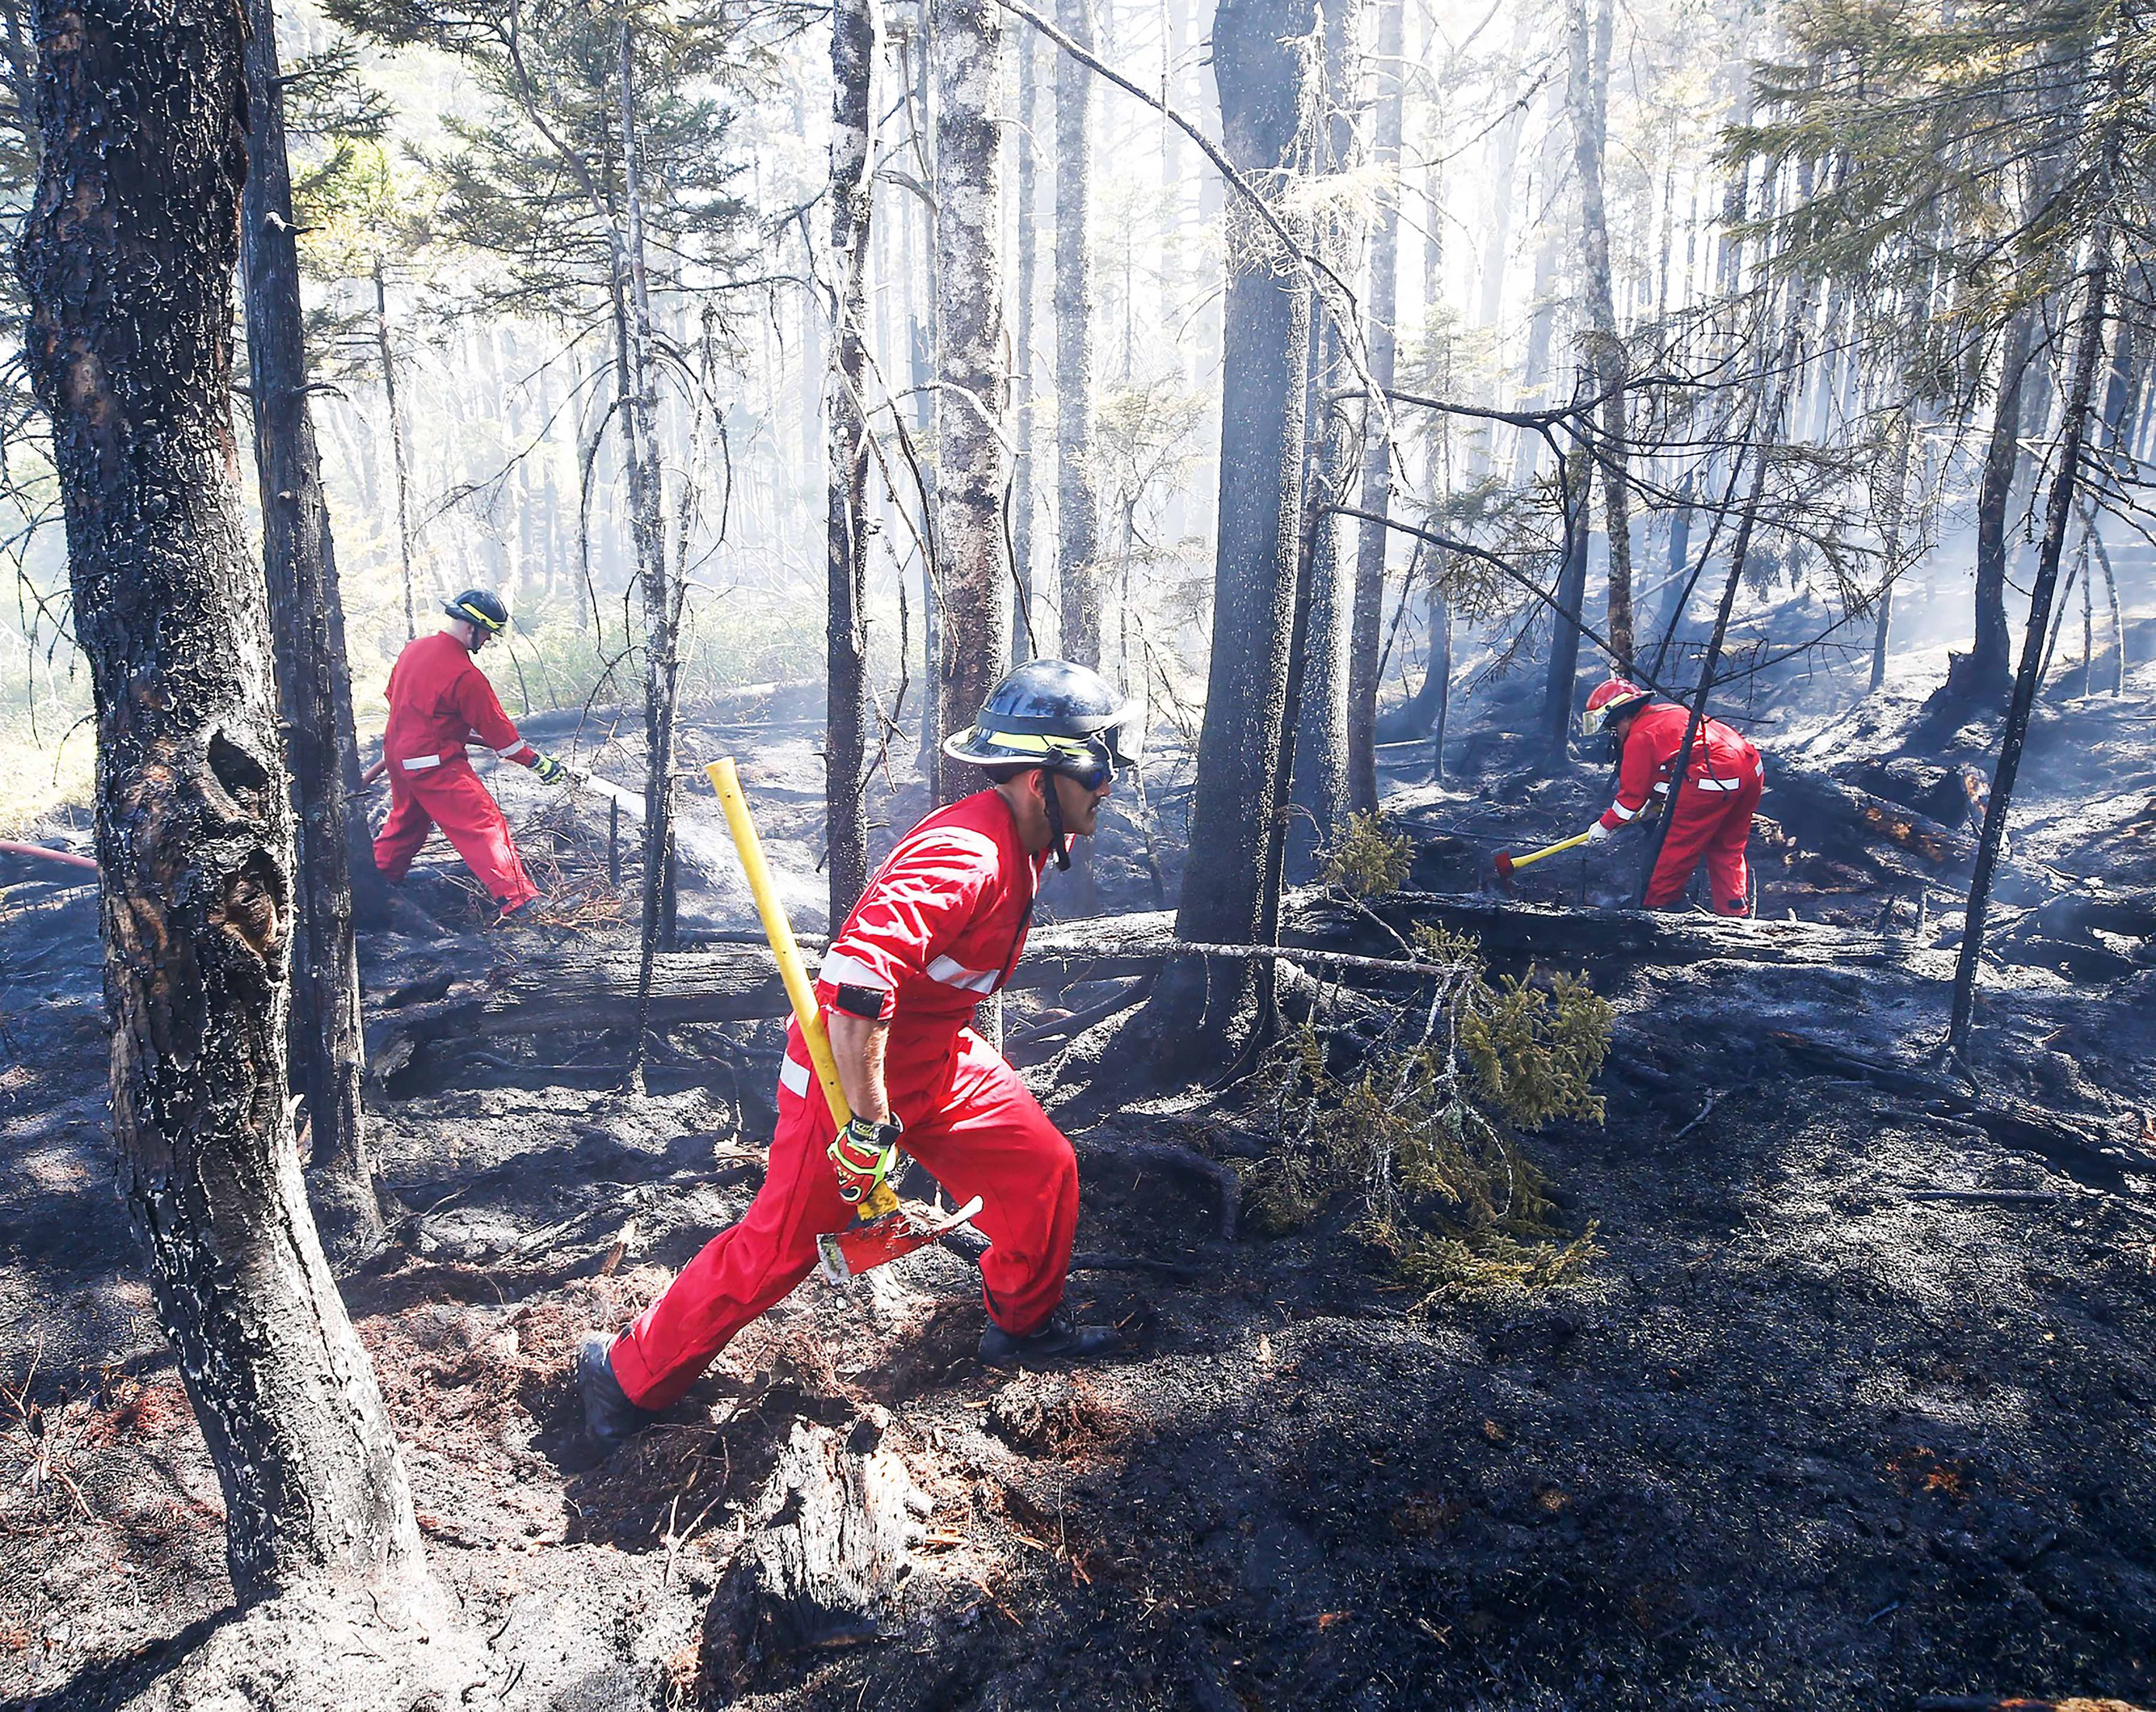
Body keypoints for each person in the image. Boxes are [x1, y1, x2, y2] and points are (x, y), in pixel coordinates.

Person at [580, 659, 1139, 1448]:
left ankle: (1023, 1326)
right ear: (1042, 778)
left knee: (1041, 1168)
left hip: (937, 1056)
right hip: (846, 1077)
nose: (1109, 787)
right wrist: (870, 1127)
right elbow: (858, 984)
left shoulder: (1034, 833)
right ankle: (626, 1374)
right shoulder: (967, 855)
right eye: (1097, 771)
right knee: (778, 1250)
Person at [363, 590, 571, 922]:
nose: (488, 640)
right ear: (472, 627)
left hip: (399, 758)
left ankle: (372, 887)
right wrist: (537, 762)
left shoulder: (413, 650)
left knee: (407, 826)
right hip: (434, 764)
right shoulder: (465, 675)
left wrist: (441, 728)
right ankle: (519, 900)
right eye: (487, 632)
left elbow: (396, 696)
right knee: (483, 823)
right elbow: (501, 737)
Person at [1579, 677, 1764, 917]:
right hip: (1751, 767)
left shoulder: (1640, 737)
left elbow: (1630, 800)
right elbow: (1674, 767)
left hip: (1715, 776)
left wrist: (1605, 826)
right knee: (1727, 848)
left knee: (1678, 846)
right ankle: (1735, 913)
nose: (1615, 736)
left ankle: (1660, 908)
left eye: (1613, 729)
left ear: (1622, 717)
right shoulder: (1667, 712)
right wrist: (1653, 802)